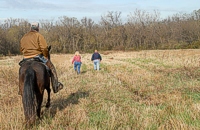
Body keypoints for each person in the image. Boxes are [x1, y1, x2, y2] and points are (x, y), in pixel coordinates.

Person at [19, 22, 63, 94]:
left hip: (26, 57)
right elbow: (45, 48)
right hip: (37, 56)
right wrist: (45, 56)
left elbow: (21, 49)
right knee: (52, 68)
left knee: (21, 71)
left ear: (31, 28)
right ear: (38, 28)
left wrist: (26, 54)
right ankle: (56, 86)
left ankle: (21, 89)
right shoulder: (38, 35)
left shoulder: (24, 37)